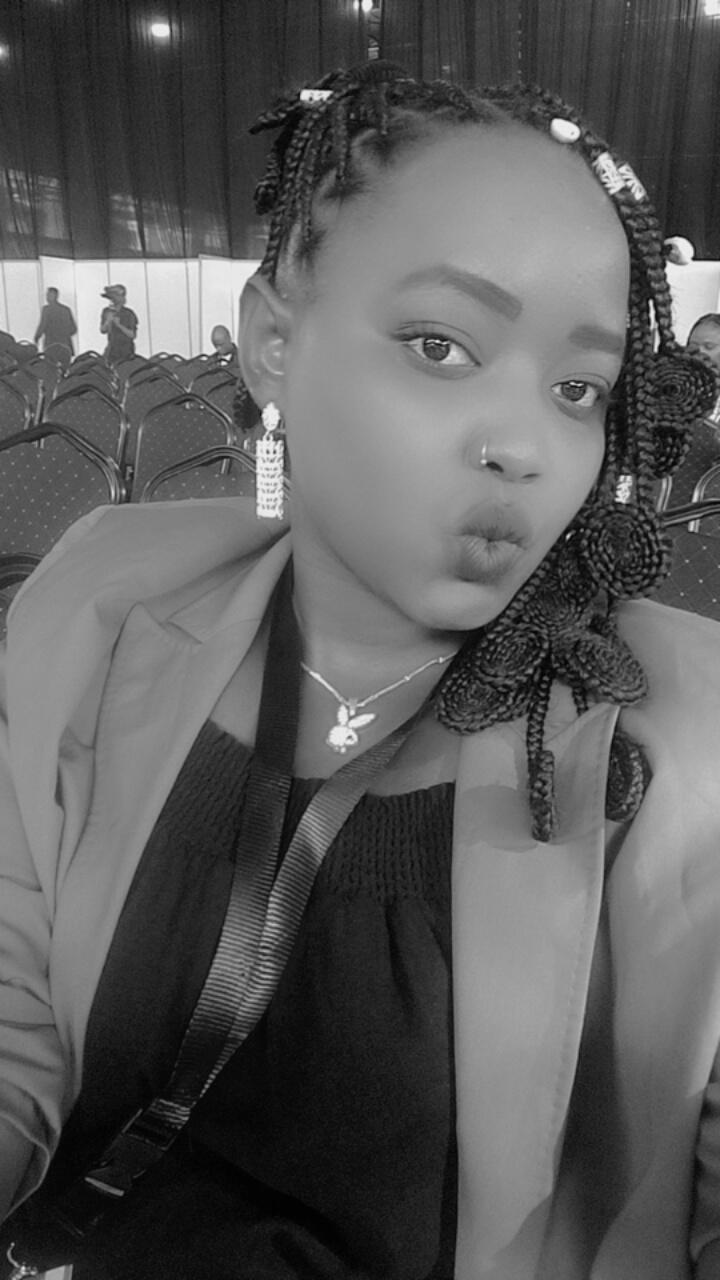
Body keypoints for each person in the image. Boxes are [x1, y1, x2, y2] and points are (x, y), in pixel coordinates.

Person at [1, 62, 720, 1280]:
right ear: (274, 342)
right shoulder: (104, 600)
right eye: (442, 344)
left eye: (577, 388)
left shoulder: (679, 733)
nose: (523, 444)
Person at [99, 283, 138, 364]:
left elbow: (132, 335)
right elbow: (103, 330)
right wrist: (108, 321)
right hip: (111, 349)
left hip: (126, 350)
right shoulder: (107, 311)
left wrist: (119, 325)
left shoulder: (129, 313)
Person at [32, 288, 77, 358]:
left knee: (50, 363)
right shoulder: (66, 310)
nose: (47, 297)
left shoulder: (46, 310)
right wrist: (64, 335)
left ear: (55, 296)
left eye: (48, 295)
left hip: (51, 345)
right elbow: (74, 329)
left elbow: (42, 325)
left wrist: (36, 337)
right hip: (65, 346)